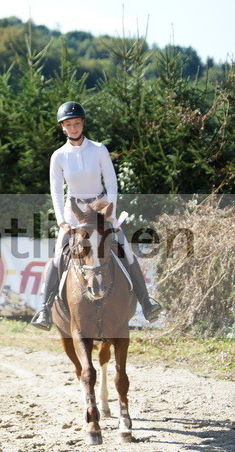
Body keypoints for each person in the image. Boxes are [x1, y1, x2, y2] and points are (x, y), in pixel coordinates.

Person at [31, 101, 162, 330]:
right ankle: (44, 308)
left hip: (101, 208)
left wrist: (110, 213)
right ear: (63, 127)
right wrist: (62, 220)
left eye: (77, 123)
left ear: (83, 123)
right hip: (74, 212)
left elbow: (111, 183)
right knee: (58, 256)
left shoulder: (99, 149)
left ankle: (146, 302)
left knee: (126, 249)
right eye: (69, 124)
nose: (73, 128)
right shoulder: (58, 156)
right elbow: (56, 190)